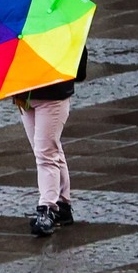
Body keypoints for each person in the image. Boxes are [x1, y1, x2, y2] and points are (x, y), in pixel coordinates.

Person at [14, 46, 88, 237]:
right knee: (47, 149)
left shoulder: (58, 27)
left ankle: (47, 207)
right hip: (25, 94)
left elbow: (79, 69)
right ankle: (62, 204)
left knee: (45, 153)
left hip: (52, 97)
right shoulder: (19, 27)